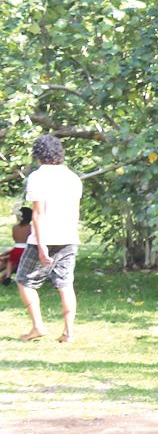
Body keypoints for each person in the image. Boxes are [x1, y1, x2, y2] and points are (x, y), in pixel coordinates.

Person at [16, 135, 83, 343]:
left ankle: (37, 326)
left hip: (44, 238)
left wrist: (42, 245)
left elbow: (38, 214)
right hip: (69, 237)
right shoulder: (73, 177)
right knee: (65, 283)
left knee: (24, 280)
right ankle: (69, 332)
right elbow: (75, 212)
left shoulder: (38, 177)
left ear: (38, 154)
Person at [4, 207, 29, 285]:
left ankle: (8, 276)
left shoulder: (15, 227)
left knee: (10, 262)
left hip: (16, 248)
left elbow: (14, 238)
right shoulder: (30, 227)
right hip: (27, 249)